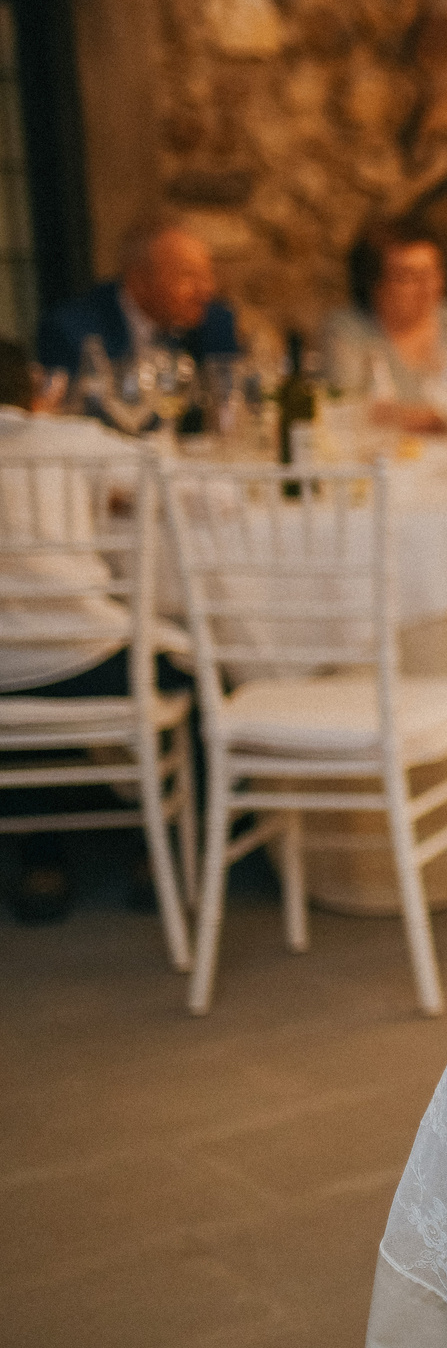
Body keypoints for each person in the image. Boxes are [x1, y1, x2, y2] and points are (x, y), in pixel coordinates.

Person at [0, 341, 176, 922]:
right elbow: (171, 480)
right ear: (35, 390)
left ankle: (42, 861)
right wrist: (114, 500)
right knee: (203, 677)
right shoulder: (68, 441)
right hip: (85, 658)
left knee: (22, 694)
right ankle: (162, 849)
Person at [319, 217, 447, 431]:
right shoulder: (347, 331)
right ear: (374, 283)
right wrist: (443, 418)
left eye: (431, 272)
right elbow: (348, 410)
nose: (426, 286)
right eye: (407, 276)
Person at [36, 216, 242, 378]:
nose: (206, 290)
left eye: (206, 275)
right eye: (187, 276)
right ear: (139, 282)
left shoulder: (215, 324)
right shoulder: (73, 332)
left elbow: (226, 401)